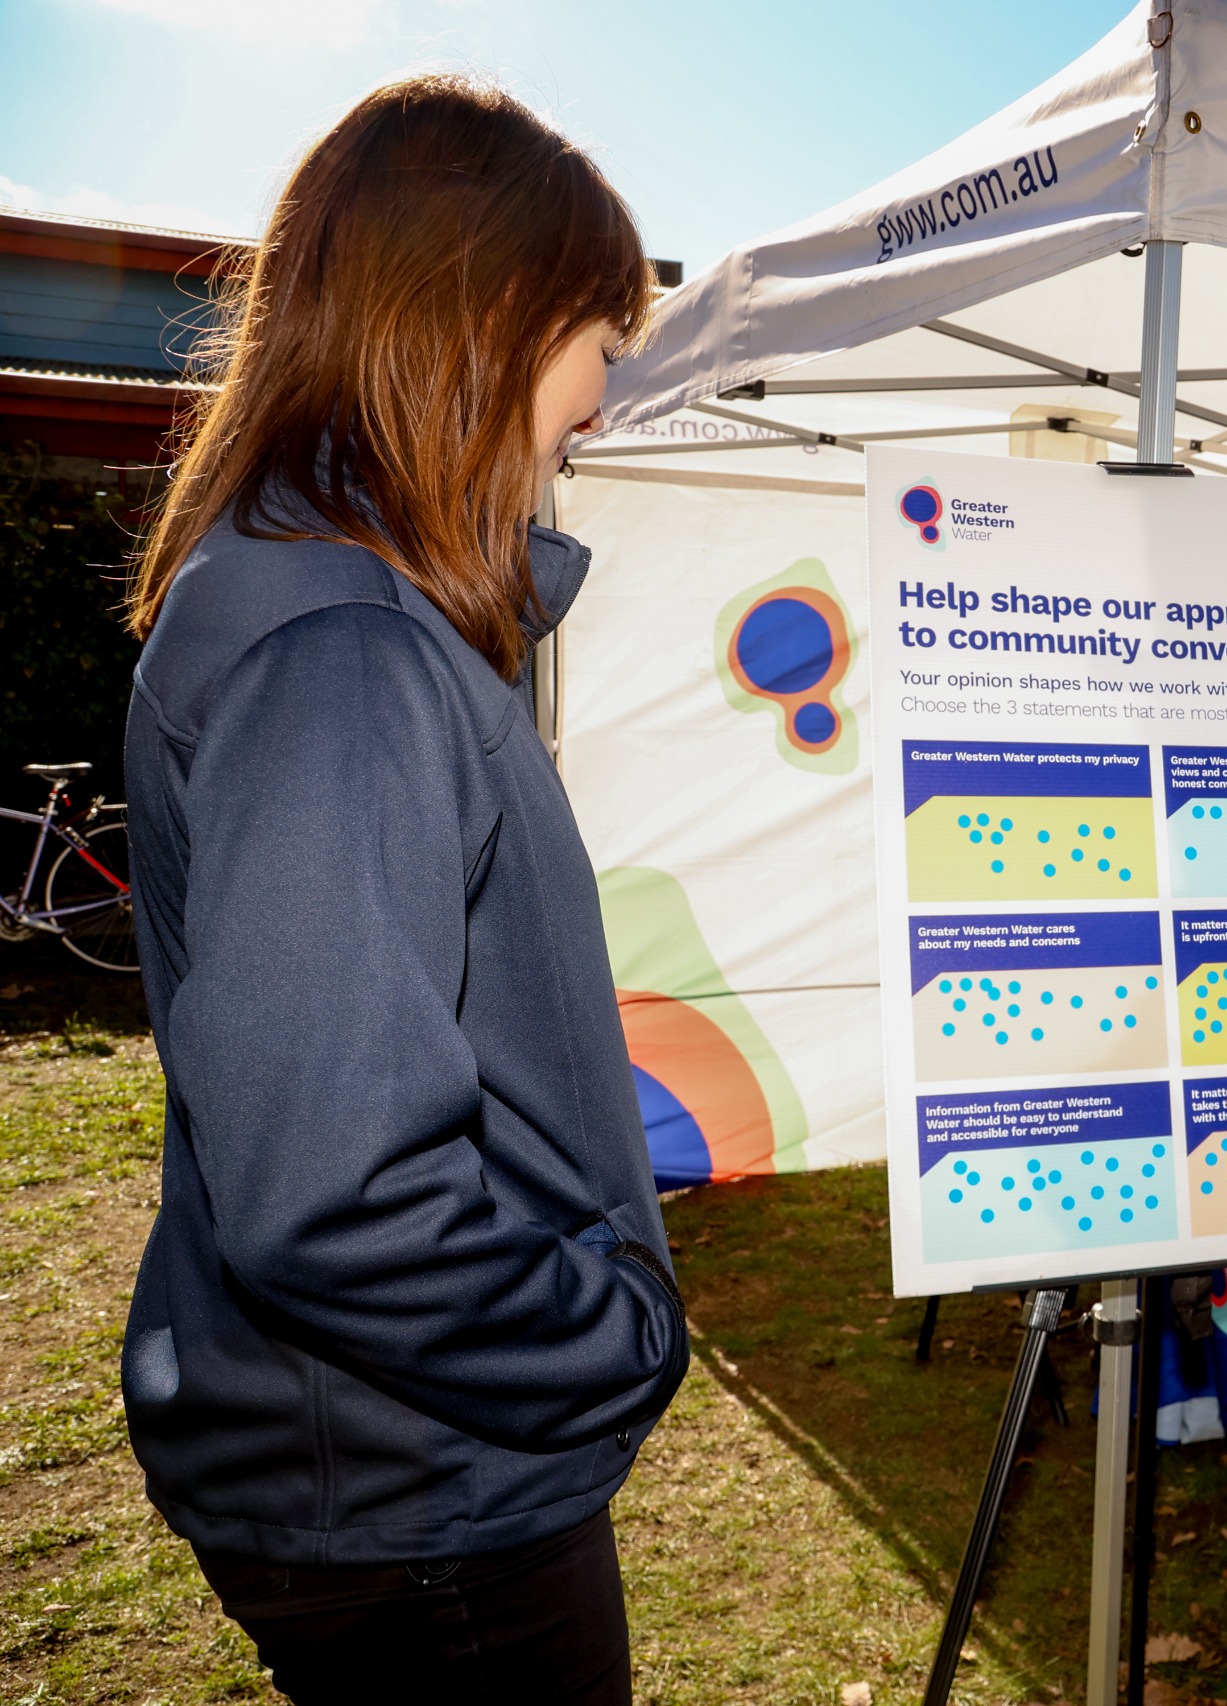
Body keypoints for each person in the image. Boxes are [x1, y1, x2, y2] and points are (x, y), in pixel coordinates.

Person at [117, 78, 682, 1705]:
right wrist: (612, 1332)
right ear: (491, 320)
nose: (600, 402)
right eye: (601, 340)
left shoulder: (325, 602)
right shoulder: (341, 649)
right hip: (424, 1490)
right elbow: (338, 1192)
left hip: (388, 1459)